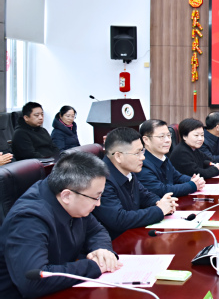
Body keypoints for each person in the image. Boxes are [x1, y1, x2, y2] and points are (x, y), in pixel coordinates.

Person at [0, 152, 121, 298]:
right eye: (96, 197)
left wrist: (102, 250)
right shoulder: (27, 219)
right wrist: (94, 266)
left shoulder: (73, 197)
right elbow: (34, 282)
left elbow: (96, 231)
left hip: (60, 289)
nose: (98, 203)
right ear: (66, 196)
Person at [92, 127, 177, 239]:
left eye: (142, 151)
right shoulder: (102, 180)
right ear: (118, 156)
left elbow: (145, 196)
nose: (143, 157)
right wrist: (159, 210)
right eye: (137, 153)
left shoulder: (128, 171)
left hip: (134, 235)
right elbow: (119, 219)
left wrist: (161, 202)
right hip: (116, 242)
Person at [139, 119, 206, 197]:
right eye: (161, 136)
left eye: (168, 135)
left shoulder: (163, 157)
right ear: (146, 140)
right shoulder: (142, 163)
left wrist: (192, 180)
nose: (168, 140)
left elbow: (177, 177)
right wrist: (192, 185)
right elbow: (161, 190)